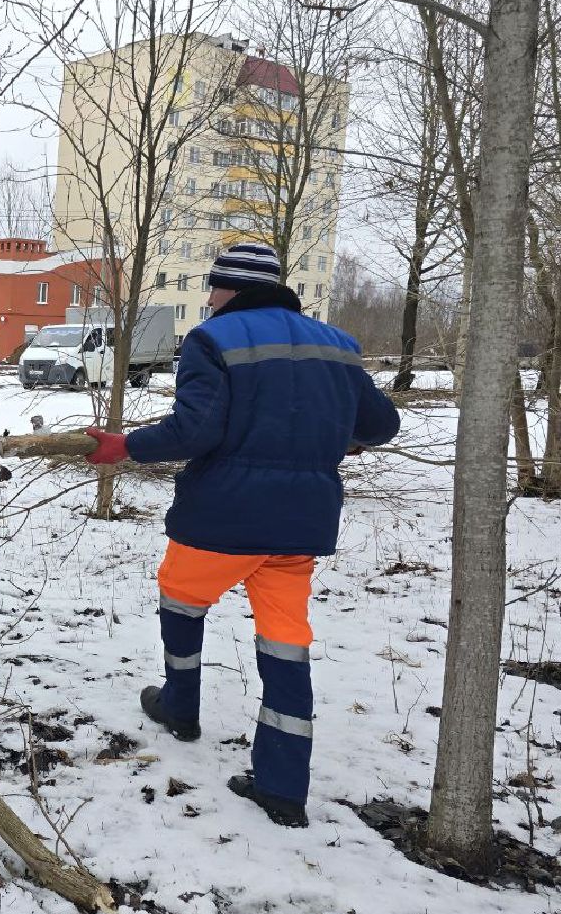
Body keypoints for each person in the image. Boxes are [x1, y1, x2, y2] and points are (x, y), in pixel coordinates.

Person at [84, 243, 400, 828]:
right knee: (286, 640)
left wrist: (124, 446)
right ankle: (282, 785)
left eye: (212, 289)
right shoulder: (338, 345)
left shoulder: (214, 340)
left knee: (180, 598)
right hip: (300, 525)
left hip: (223, 517)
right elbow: (381, 426)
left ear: (231, 290)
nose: (207, 299)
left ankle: (180, 705)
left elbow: (195, 430)